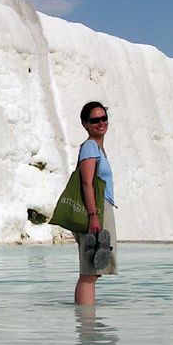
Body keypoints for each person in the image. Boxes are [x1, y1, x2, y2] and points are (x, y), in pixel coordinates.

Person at [74, 101, 118, 304]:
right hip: (95, 210)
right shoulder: (90, 147)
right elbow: (86, 182)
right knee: (89, 271)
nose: (101, 123)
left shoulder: (98, 148)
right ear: (85, 124)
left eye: (103, 118)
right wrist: (93, 216)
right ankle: (86, 327)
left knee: (94, 272)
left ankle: (87, 322)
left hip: (101, 208)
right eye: (95, 120)